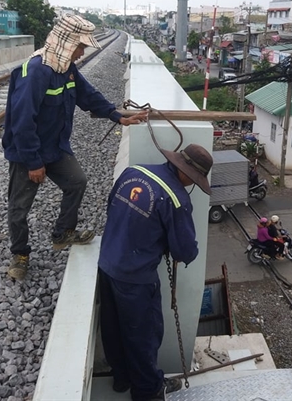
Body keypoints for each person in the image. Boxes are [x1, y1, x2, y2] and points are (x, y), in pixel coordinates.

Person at [2, 14, 149, 280]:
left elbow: (88, 95)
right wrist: (34, 163)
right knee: (19, 207)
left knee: (76, 182)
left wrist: (118, 116)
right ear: (67, 43)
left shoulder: (66, 69)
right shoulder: (36, 71)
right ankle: (20, 254)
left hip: (55, 147)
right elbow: (22, 123)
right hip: (28, 152)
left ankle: (63, 233)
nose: (82, 52)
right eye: (80, 46)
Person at [98, 143, 213, 401]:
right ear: (185, 173)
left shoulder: (133, 172)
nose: (191, 184)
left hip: (107, 262)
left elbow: (112, 207)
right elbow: (184, 251)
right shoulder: (175, 198)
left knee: (113, 326)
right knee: (143, 335)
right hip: (135, 277)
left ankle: (121, 378)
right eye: (194, 179)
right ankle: (148, 391)